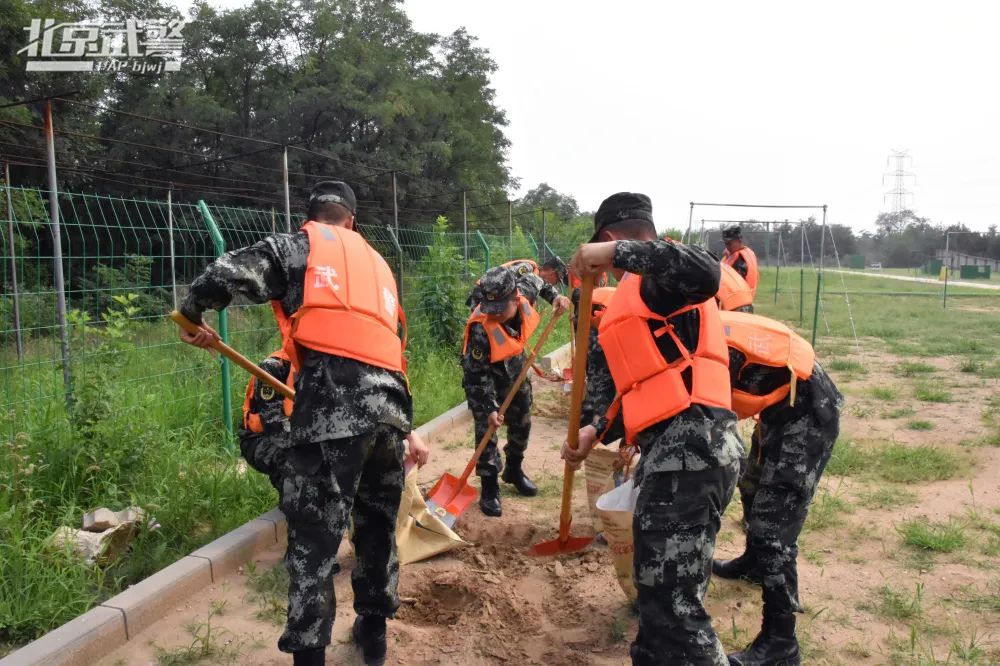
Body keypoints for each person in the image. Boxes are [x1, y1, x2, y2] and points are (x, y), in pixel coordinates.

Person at [177, 180, 429, 666]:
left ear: (308, 218)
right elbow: (393, 349)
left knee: (314, 539)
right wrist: (406, 424)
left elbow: (223, 275)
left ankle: (311, 656)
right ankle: (373, 635)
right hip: (391, 411)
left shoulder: (299, 245)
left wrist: (191, 317)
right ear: (353, 222)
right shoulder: (380, 267)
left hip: (333, 408)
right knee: (376, 526)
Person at [561, 192, 745, 665]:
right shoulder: (626, 302)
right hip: (675, 452)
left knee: (674, 614)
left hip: (693, 446)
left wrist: (615, 255)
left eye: (604, 250)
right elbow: (622, 388)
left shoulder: (662, 279)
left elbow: (707, 270)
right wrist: (593, 430)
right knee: (664, 594)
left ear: (605, 239)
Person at [712, 310, 842, 666]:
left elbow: (715, 423)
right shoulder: (691, 329)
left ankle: (781, 642)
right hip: (777, 408)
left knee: (774, 529)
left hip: (808, 414)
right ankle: (755, 564)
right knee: (752, 486)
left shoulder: (706, 343)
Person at [462, 266, 567, 516]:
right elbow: (476, 377)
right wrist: (489, 408)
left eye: (500, 309)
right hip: (486, 380)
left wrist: (556, 299)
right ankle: (489, 487)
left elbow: (541, 281)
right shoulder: (480, 328)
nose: (494, 315)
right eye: (491, 310)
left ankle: (514, 469)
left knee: (522, 423)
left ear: (515, 297)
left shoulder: (526, 289)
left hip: (517, 369)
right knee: (487, 432)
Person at [239, 350, 294, 491]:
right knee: (296, 463)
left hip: (298, 435)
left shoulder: (325, 365)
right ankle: (294, 507)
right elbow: (274, 427)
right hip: (260, 437)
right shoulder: (273, 367)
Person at [466, 256, 569, 310]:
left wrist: (558, 297)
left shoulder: (536, 278)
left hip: (494, 305)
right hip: (483, 296)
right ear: (552, 272)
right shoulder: (526, 268)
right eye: (557, 280)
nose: (555, 284)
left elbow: (546, 289)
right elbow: (501, 282)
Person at [722, 226, 760, 297]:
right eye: (726, 244)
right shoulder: (749, 252)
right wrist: (729, 256)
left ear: (739, 240)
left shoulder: (739, 260)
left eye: (729, 243)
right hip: (747, 299)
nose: (727, 247)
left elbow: (730, 283)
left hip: (737, 300)